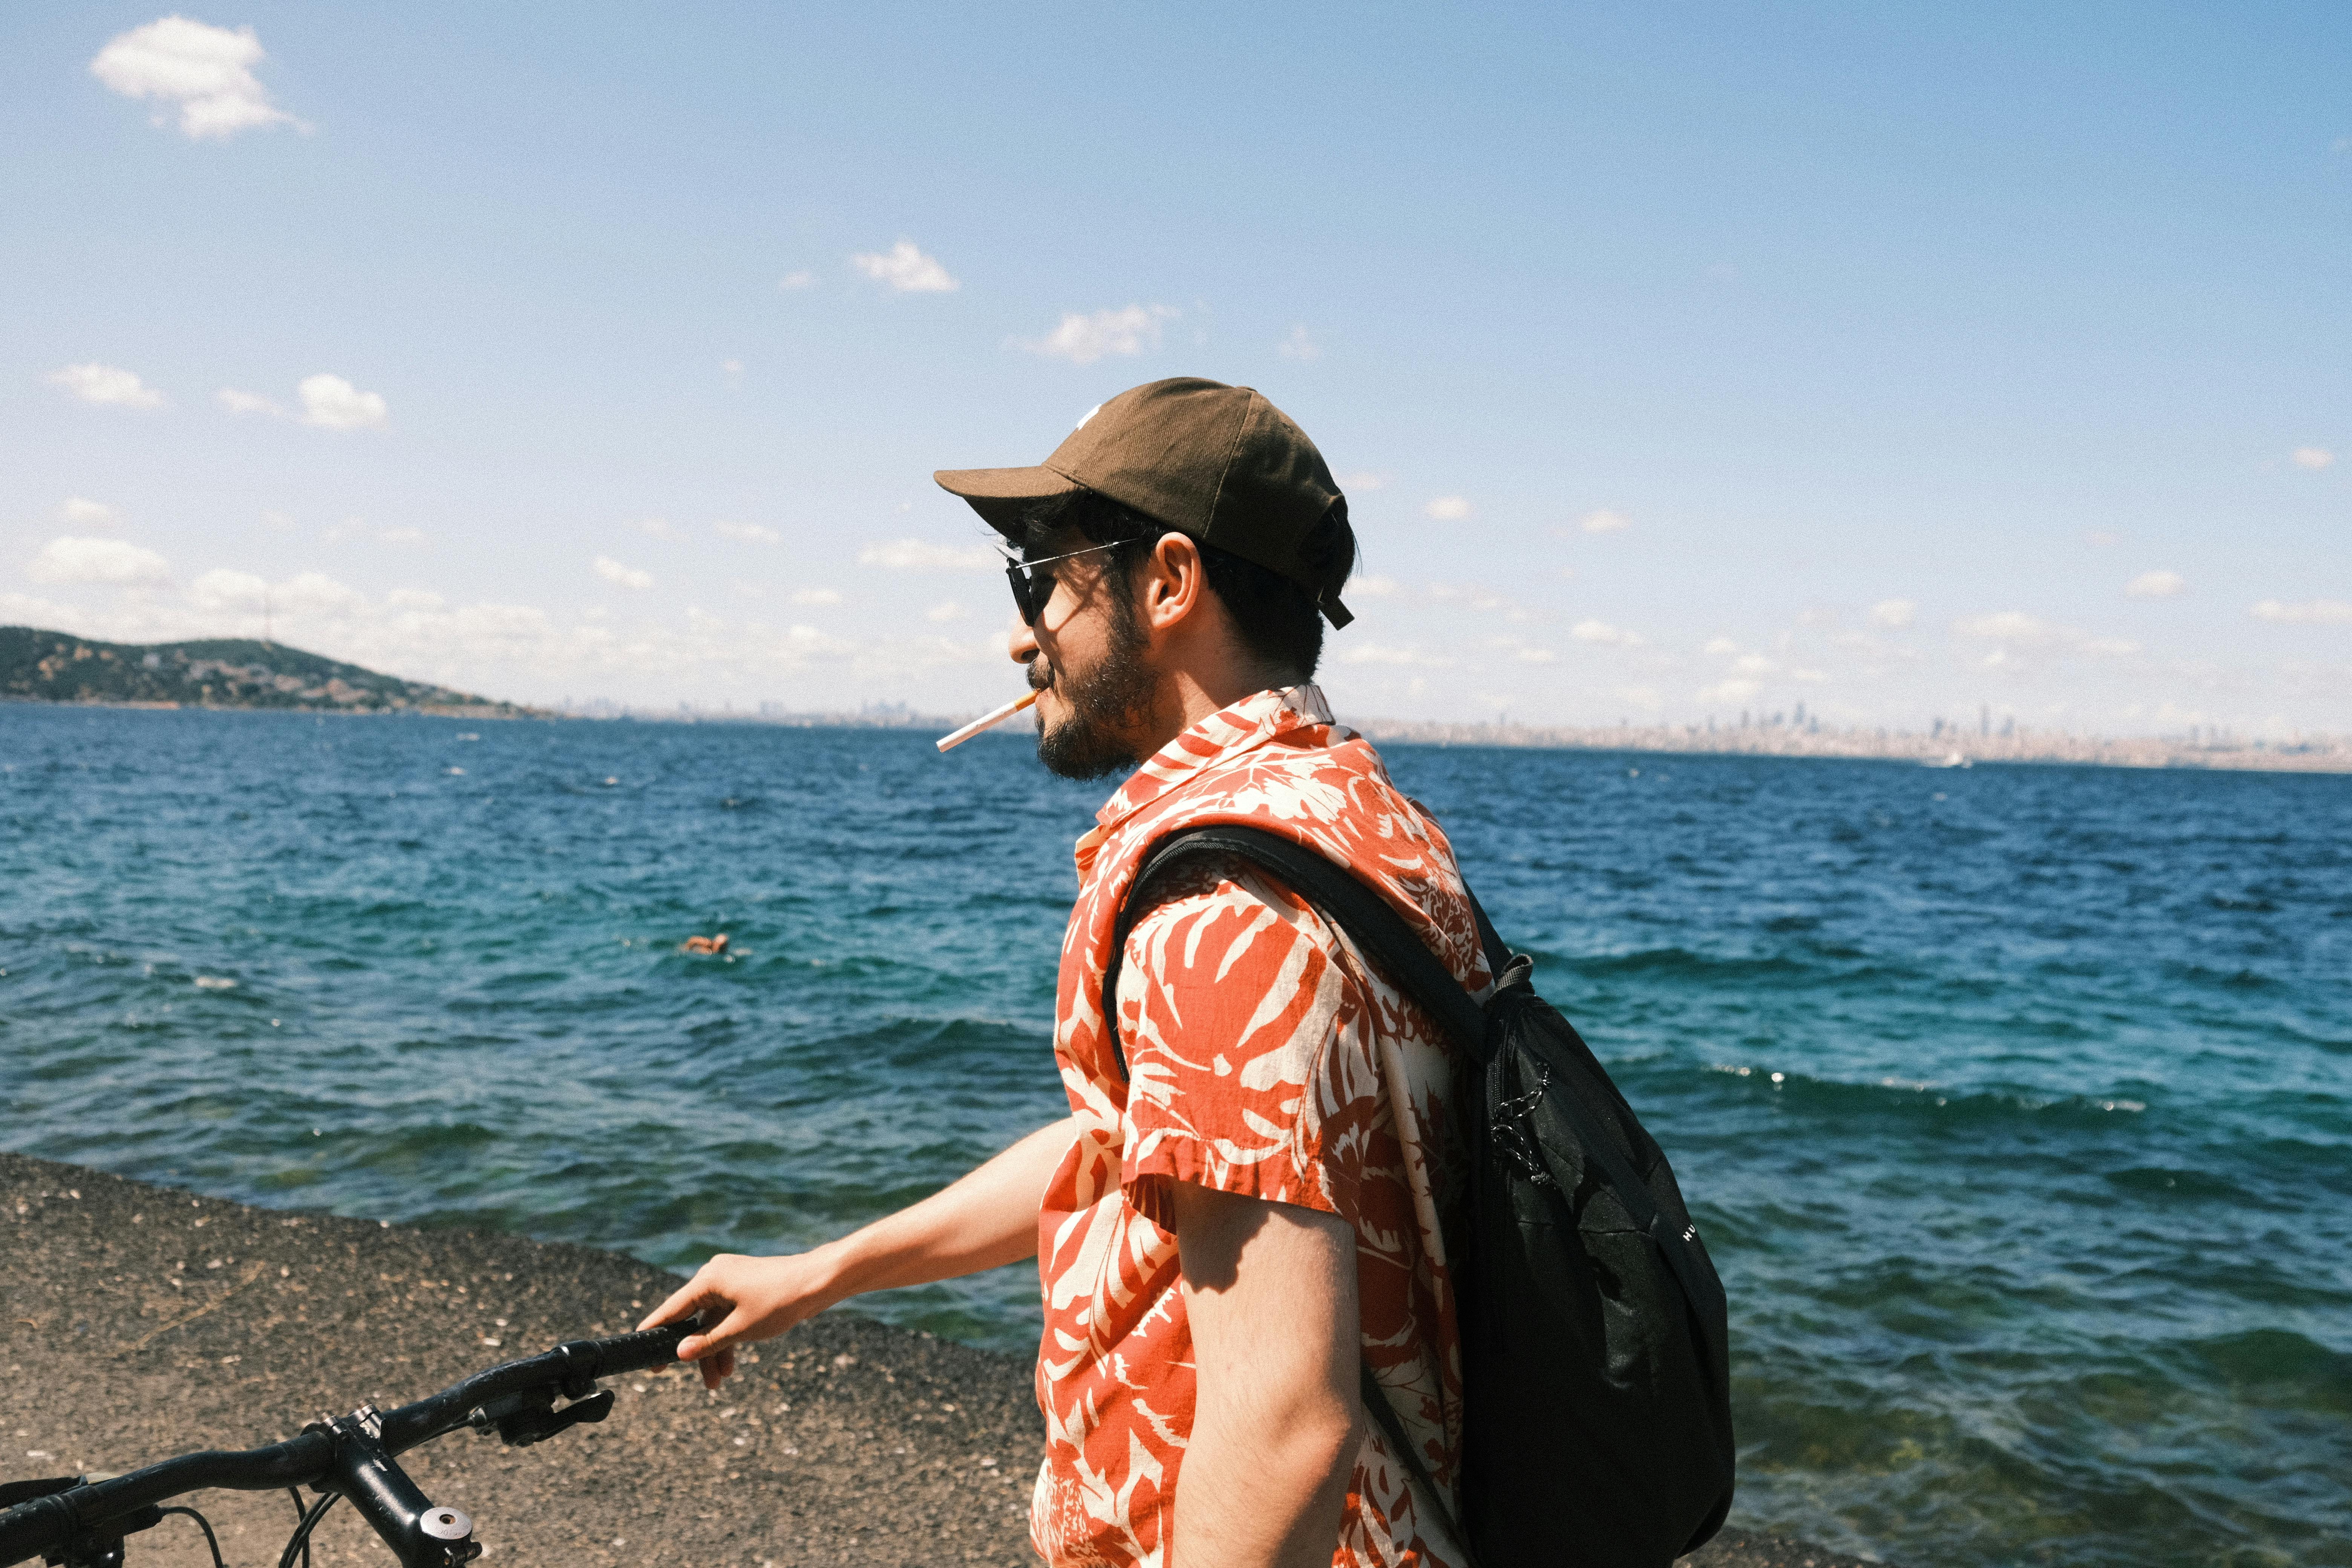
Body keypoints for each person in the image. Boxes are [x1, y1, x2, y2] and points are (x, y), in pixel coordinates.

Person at [642, 378, 1493, 1568]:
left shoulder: (1222, 915)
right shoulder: (1363, 820)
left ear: (1170, 582)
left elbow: (1286, 1424)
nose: (1019, 628)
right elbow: (1140, 1144)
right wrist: (827, 1273)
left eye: (1039, 575)